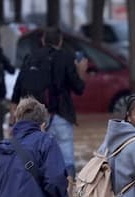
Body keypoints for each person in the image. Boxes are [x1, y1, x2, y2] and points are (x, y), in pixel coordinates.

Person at [10, 27, 87, 180]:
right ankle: (68, 196)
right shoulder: (66, 58)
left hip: (33, 118)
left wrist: (13, 117)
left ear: (43, 40)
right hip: (60, 114)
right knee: (66, 160)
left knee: (36, 158)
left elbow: (17, 89)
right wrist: (81, 71)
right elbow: (79, 88)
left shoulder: (30, 57)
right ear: (60, 41)